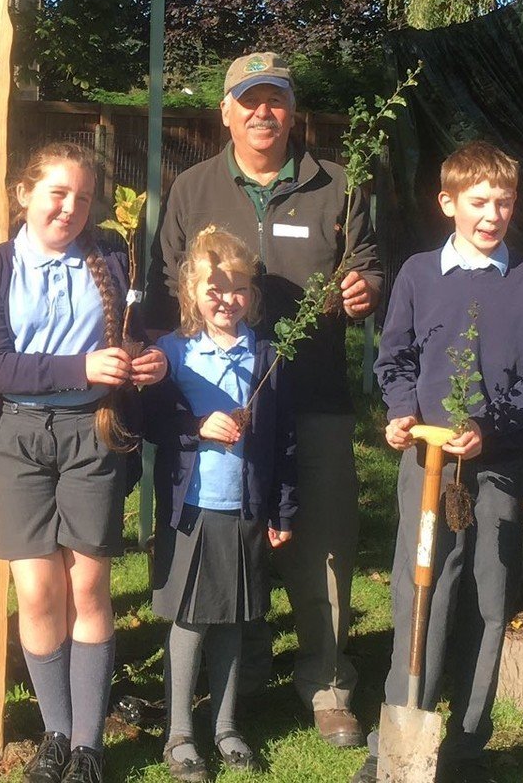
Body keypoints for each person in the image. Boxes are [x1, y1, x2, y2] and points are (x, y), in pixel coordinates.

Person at [147, 52, 380, 746]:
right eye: (248, 100)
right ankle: (238, 672)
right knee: (231, 539)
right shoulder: (192, 190)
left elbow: (368, 261)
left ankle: (328, 681)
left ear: (291, 110)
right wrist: (179, 402)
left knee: (323, 545)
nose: (261, 112)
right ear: (226, 111)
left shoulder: (337, 184)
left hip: (311, 394)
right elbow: (166, 288)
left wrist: (368, 287)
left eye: (274, 99)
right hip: (219, 408)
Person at [353, 141, 523, 783]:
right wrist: (399, 412)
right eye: (478, 202)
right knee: (420, 588)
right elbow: (395, 360)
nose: (492, 214)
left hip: (497, 465)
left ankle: (470, 742)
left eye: (503, 202)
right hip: (426, 464)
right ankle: (397, 735)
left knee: (489, 592)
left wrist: (491, 427)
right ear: (448, 203)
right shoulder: (419, 274)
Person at [0, 141, 168, 783]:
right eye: (57, 193)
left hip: (93, 433)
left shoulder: (110, 254)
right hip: (19, 437)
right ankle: (54, 731)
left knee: (87, 585)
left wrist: (147, 360)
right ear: (23, 192)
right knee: (38, 590)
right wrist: (77, 367)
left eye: (82, 198)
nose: (70, 208)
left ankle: (88, 746)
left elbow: (139, 329)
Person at [141, 228, 296, 783]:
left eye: (238, 289)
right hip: (194, 509)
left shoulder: (269, 357)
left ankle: (227, 725)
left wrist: (282, 509)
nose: (226, 299)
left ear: (252, 296)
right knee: (190, 618)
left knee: (233, 618)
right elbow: (149, 422)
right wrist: (194, 425)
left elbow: (284, 442)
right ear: (191, 293)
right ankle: (180, 732)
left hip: (244, 508)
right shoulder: (173, 355)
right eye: (215, 289)